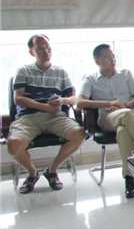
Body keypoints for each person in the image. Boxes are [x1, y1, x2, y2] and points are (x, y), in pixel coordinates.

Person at [8, 35, 85, 194]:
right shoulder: (23, 70)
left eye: (48, 48)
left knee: (79, 134)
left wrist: (62, 100)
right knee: (13, 145)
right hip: (29, 117)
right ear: (31, 52)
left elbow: (73, 99)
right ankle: (32, 173)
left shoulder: (61, 72)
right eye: (40, 49)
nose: (46, 51)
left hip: (56, 117)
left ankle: (52, 170)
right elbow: (18, 98)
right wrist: (44, 107)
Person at [77, 44, 134, 198]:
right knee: (127, 116)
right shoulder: (91, 79)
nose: (112, 59)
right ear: (97, 61)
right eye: (106, 57)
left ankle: (129, 179)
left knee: (123, 132)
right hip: (107, 118)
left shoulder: (125, 74)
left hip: (128, 115)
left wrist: (126, 104)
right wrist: (108, 103)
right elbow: (80, 102)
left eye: (112, 55)